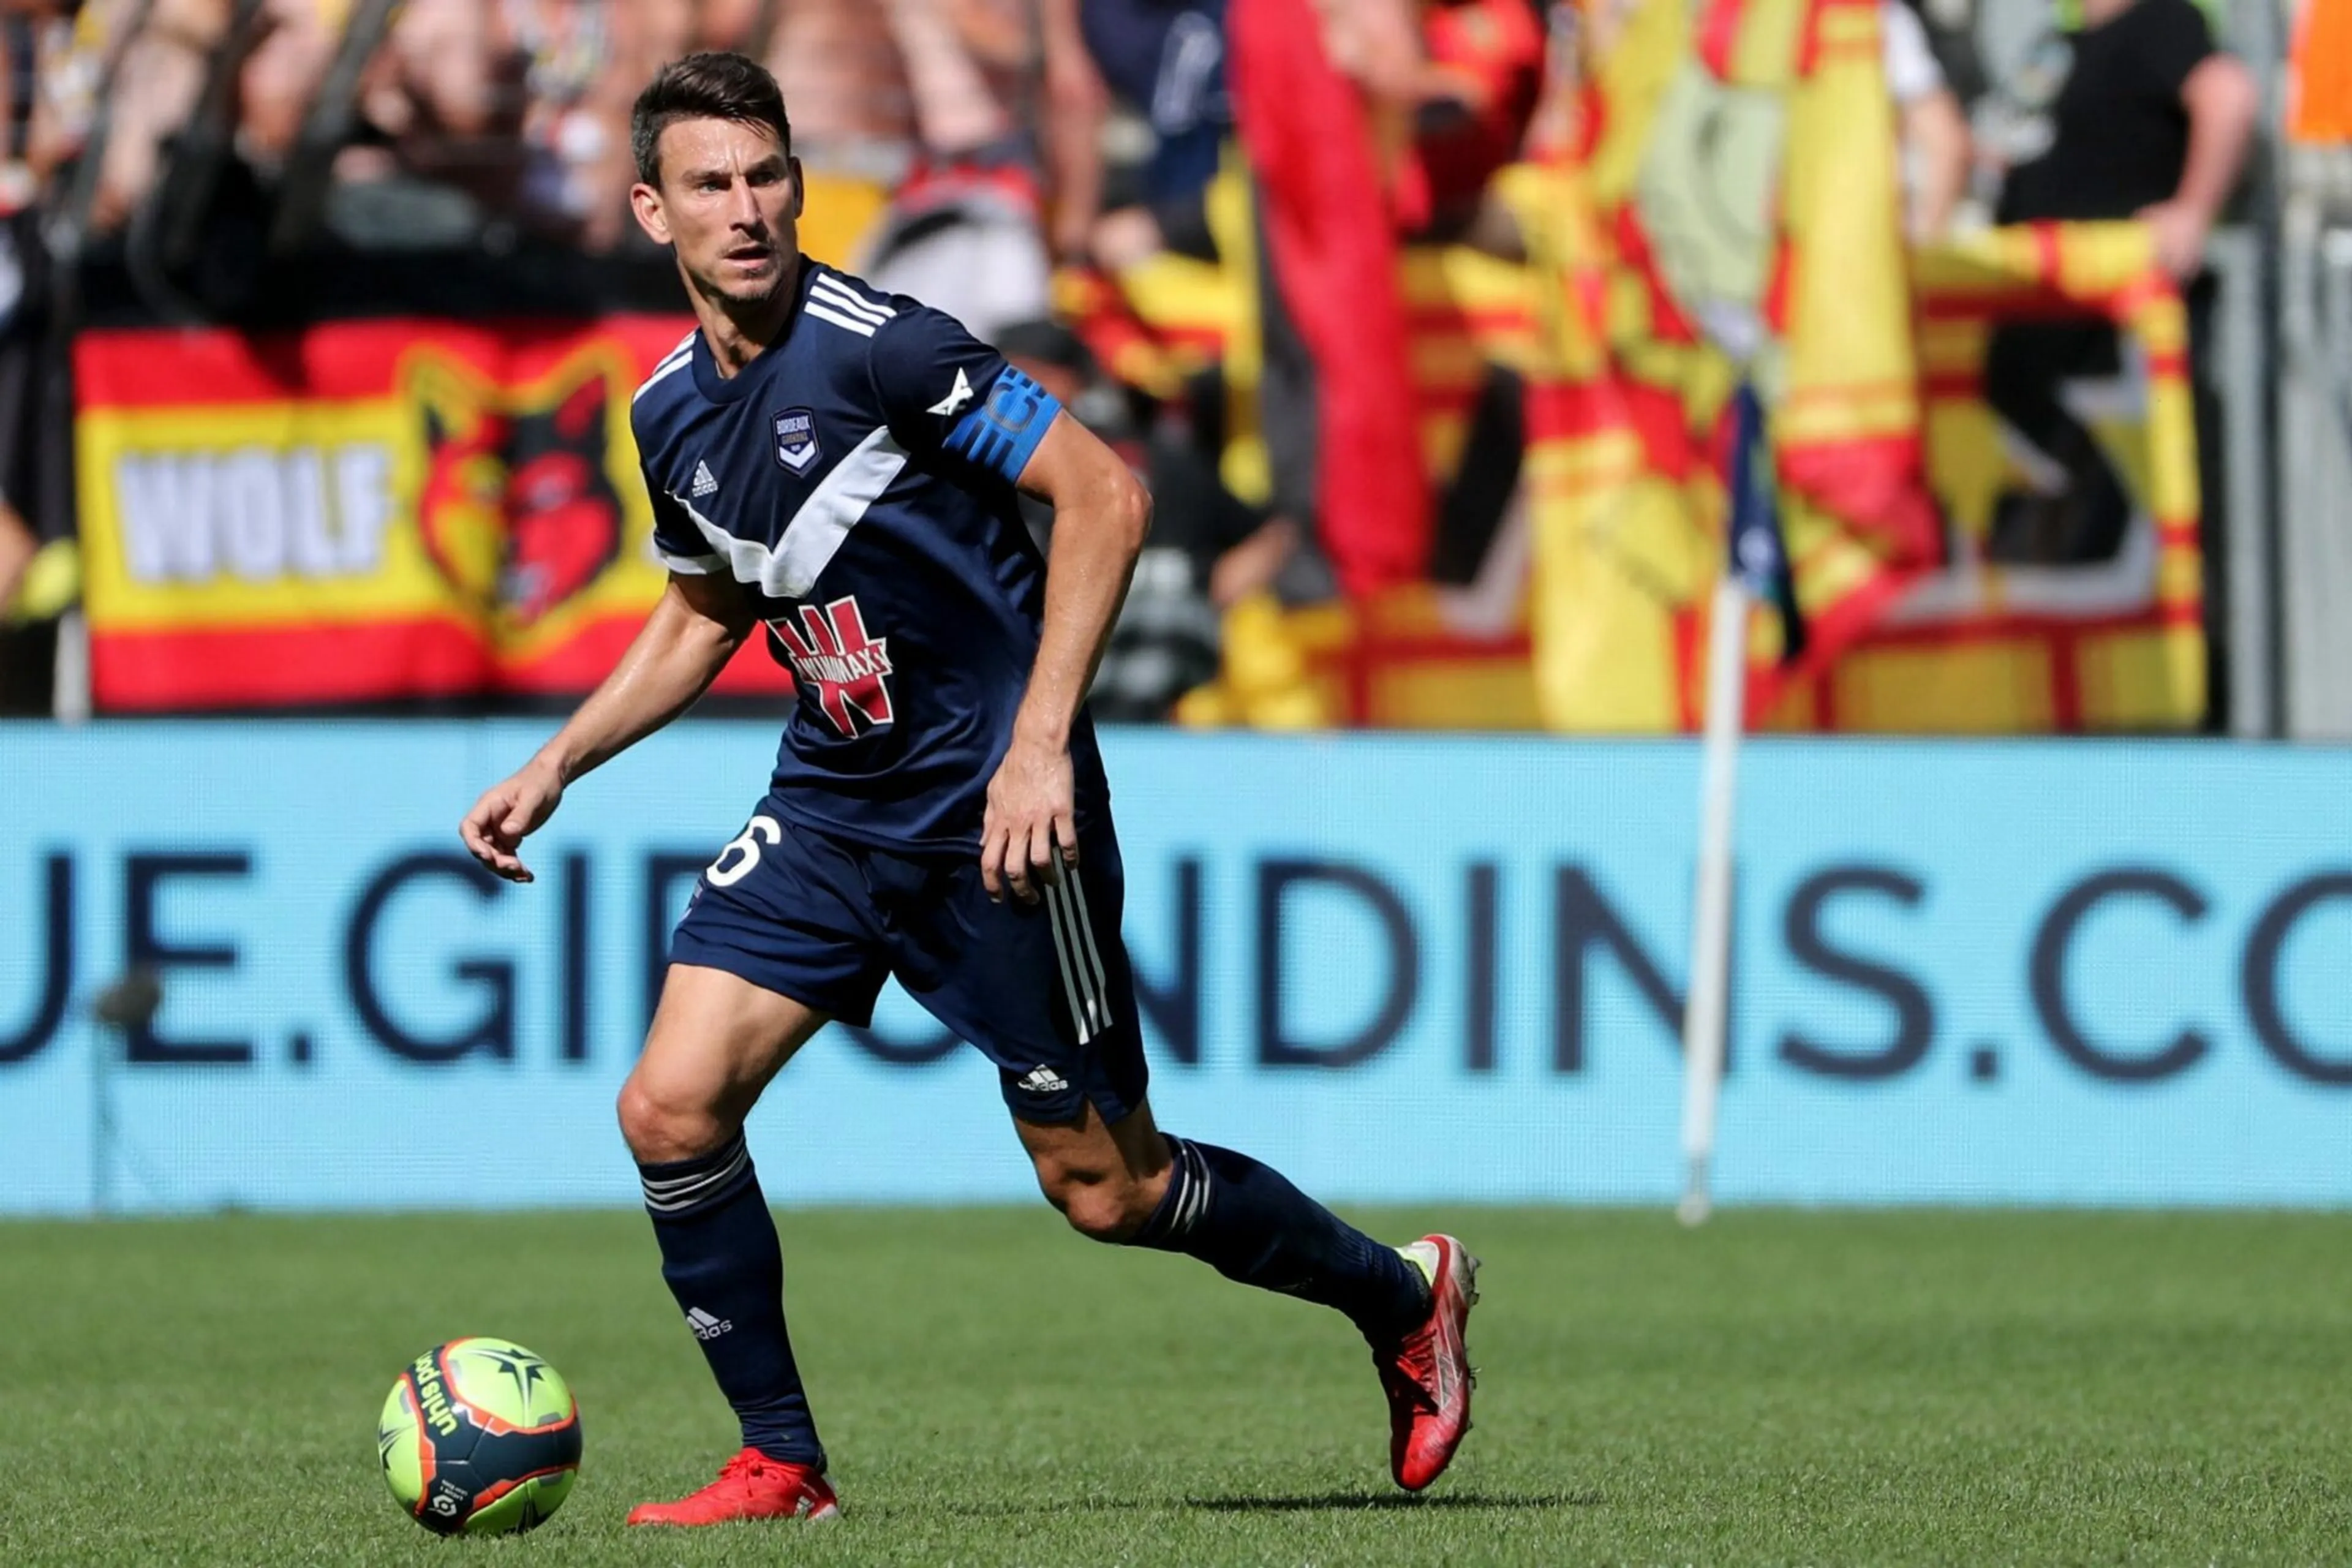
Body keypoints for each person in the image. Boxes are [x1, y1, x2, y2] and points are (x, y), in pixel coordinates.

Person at [457, 50, 1479, 1528]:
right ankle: (782, 1459)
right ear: (649, 210)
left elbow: (1106, 494)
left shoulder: (885, 351)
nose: (745, 209)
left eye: (766, 176)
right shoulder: (670, 409)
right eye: (709, 185)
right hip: (832, 803)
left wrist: (1043, 737)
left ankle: (1404, 1297)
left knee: (1109, 1191)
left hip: (1001, 820)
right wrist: (555, 761)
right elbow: (702, 611)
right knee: (670, 1107)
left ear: (799, 184)